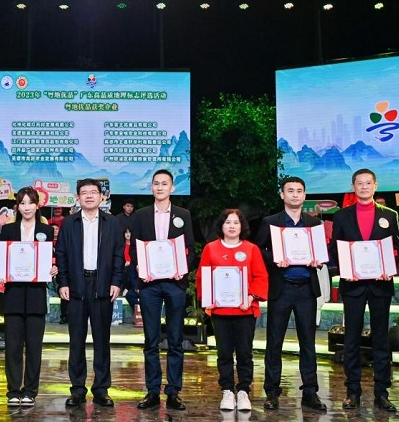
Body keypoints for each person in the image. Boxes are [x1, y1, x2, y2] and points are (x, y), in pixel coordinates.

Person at [329, 168, 399, 412]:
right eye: (359, 183)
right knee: (351, 339)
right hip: (353, 284)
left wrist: (388, 267)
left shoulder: (390, 215)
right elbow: (335, 248)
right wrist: (346, 269)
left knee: (381, 339)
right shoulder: (342, 215)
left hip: (380, 284)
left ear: (375, 186)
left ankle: (382, 393)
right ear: (353, 186)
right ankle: (352, 392)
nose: (364, 187)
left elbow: (396, 247)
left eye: (368, 183)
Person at [254, 177, 328, 411]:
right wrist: (275, 259)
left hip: (306, 289)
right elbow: (258, 249)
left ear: (304, 196)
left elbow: (323, 253)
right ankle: (272, 391)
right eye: (290, 191)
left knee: (308, 342)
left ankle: (310, 392)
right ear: (282, 195)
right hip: (281, 288)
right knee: (274, 341)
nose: (295, 194)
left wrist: (319, 259)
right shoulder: (271, 222)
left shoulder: (314, 223)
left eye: (299, 191)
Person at [129, 169, 196, 411]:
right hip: (150, 285)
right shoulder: (141, 215)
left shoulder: (183, 215)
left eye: (164, 184)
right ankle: (152, 391)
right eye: (156, 183)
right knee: (151, 339)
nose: (160, 187)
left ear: (172, 188)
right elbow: (135, 249)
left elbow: (190, 248)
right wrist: (141, 268)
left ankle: (174, 391)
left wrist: (182, 270)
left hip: (175, 283)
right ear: (151, 187)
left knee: (176, 339)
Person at [56, 178, 125, 408]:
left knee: (102, 339)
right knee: (76, 339)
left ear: (101, 197)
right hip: (76, 285)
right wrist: (63, 282)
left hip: (102, 284)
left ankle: (101, 389)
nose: (88, 196)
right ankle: (77, 389)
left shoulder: (112, 223)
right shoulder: (69, 223)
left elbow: (118, 254)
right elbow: (61, 254)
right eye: (84, 192)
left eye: (93, 192)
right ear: (78, 197)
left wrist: (116, 282)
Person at [197, 208, 267, 411]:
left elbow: (260, 276)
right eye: (228, 222)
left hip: (245, 310)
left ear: (242, 226)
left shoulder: (251, 249)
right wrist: (208, 299)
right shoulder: (211, 249)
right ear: (222, 226)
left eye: (236, 222)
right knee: (224, 353)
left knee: (245, 353)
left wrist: (250, 297)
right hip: (220, 311)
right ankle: (227, 390)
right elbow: (203, 277)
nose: (232, 226)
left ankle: (244, 391)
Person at [0, 187, 58, 407]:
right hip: (13, 295)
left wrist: (53, 269)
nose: (26, 207)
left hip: (36, 296)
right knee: (13, 346)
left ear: (37, 205)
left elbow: (51, 259)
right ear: (17, 206)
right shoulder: (8, 230)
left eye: (30, 203)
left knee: (34, 347)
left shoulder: (46, 230)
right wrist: (0, 272)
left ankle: (30, 390)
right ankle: (13, 390)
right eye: (22, 203)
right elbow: (1, 259)